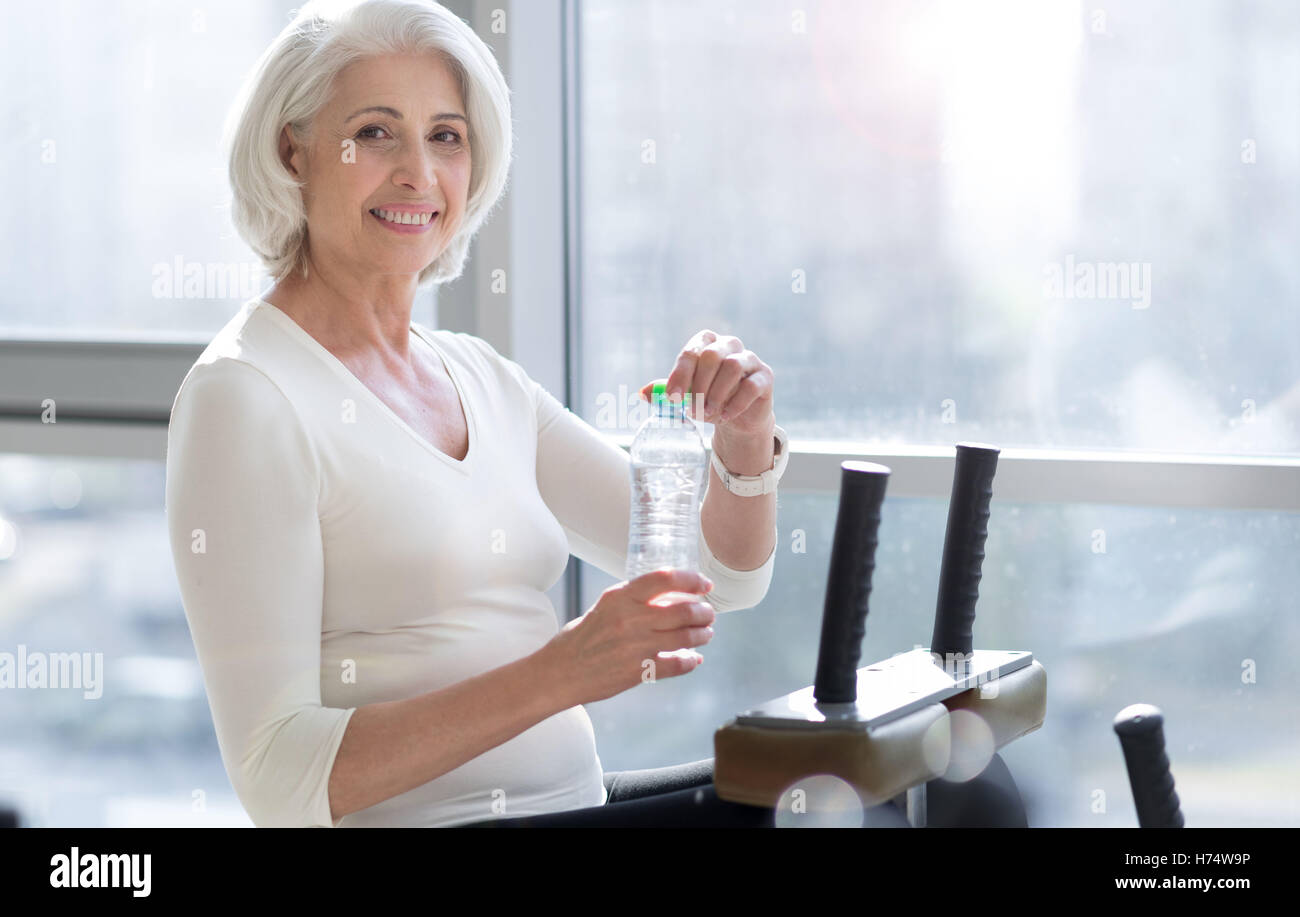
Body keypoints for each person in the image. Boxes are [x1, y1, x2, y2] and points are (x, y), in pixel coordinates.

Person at [165, 0, 783, 828]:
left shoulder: (480, 377)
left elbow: (722, 573)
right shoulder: (243, 397)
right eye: (377, 133)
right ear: (294, 151)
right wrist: (565, 669)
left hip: (575, 806)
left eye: (446, 136)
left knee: (887, 782)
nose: (419, 172)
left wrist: (744, 447)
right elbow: (281, 781)